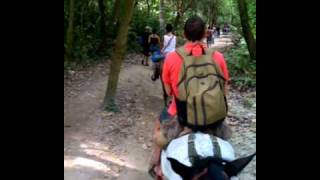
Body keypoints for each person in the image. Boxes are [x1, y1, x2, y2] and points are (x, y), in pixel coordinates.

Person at [149, 16, 232, 179]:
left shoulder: (172, 57)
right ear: (204, 35)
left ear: (184, 35)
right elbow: (224, 91)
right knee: (228, 141)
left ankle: (156, 166)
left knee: (158, 134)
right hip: (213, 118)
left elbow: (169, 90)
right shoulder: (218, 57)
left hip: (181, 117)